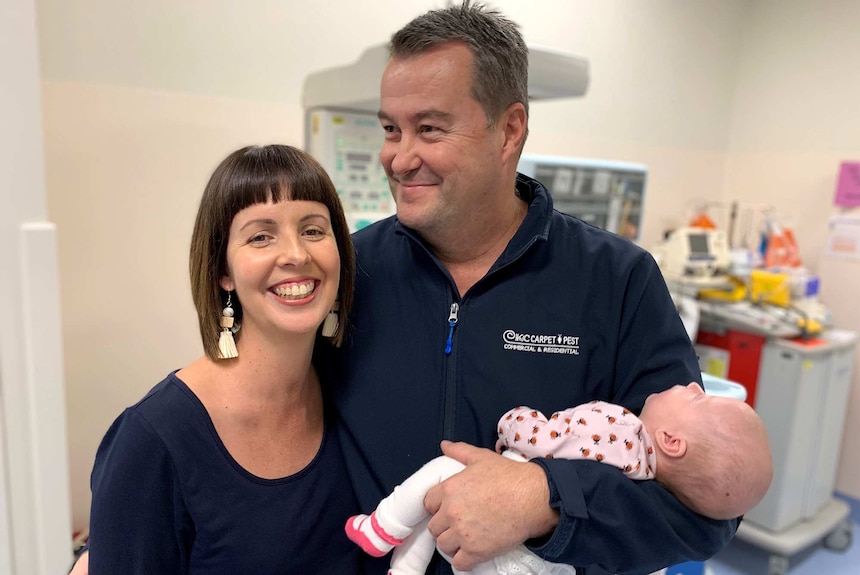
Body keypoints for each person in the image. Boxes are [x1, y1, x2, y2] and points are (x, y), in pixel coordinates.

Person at [72, 3, 739, 574]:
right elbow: (245, 406)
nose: (399, 155)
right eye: (390, 128)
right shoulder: (352, 274)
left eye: (429, 128)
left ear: (510, 130)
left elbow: (706, 508)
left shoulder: (616, 282)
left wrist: (547, 500)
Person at [84, 144, 360, 574]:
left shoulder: (355, 390)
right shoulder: (154, 439)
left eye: (313, 230)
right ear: (222, 271)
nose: (296, 255)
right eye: (260, 236)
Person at [343, 384, 773, 574]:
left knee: (441, 477)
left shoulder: (620, 426)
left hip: (496, 523)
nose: (688, 384)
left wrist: (515, 424)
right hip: (542, 563)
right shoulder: (643, 468)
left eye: (698, 397)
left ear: (672, 442)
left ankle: (383, 527)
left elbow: (544, 438)